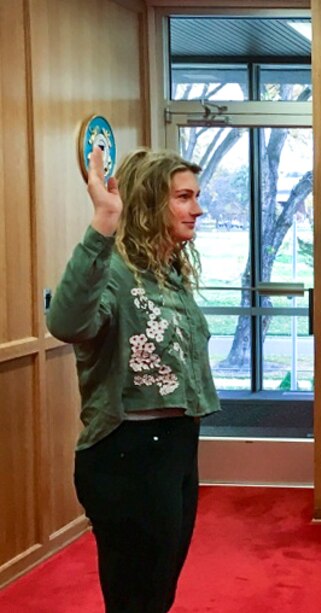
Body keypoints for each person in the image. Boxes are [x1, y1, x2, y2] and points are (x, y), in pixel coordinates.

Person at [47, 147, 220, 612]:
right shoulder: (116, 270)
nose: (198, 209)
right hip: (129, 454)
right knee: (135, 599)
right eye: (184, 197)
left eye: (196, 196)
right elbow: (66, 322)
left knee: (157, 593)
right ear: (148, 203)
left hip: (177, 447)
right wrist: (103, 221)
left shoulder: (166, 273)